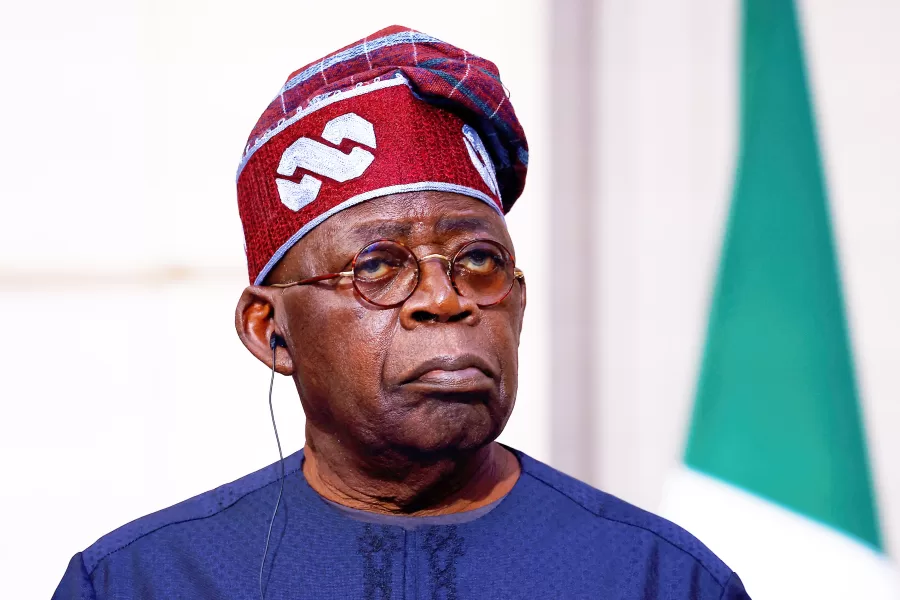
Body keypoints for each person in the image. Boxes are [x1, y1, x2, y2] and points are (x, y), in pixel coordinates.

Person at [53, 25, 750, 600]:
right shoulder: (144, 582)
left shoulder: (658, 580)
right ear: (271, 332)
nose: (446, 300)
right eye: (380, 267)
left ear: (519, 301)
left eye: (479, 262)